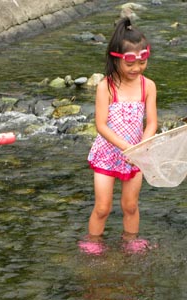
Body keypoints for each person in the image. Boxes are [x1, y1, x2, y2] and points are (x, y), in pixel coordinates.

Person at [79, 17, 157, 255]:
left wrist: (142, 146)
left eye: (142, 62)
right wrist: (126, 147)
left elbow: (152, 121)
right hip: (108, 153)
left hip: (136, 155)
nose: (137, 69)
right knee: (102, 207)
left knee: (130, 205)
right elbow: (101, 125)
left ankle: (130, 241)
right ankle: (94, 241)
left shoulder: (148, 86)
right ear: (116, 59)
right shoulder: (107, 86)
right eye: (130, 64)